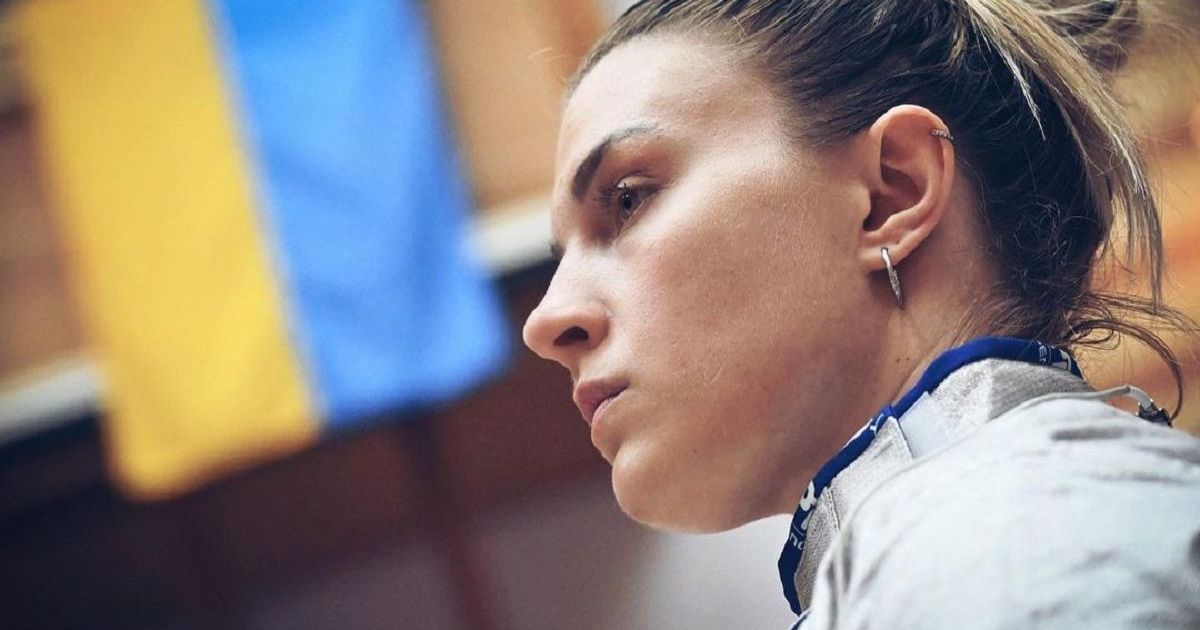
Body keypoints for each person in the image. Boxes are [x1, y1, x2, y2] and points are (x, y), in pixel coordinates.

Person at [521, 0, 1200, 627]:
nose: (547, 320)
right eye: (562, 254)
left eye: (629, 199)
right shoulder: (979, 544)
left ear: (891, 193)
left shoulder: (1014, 549)